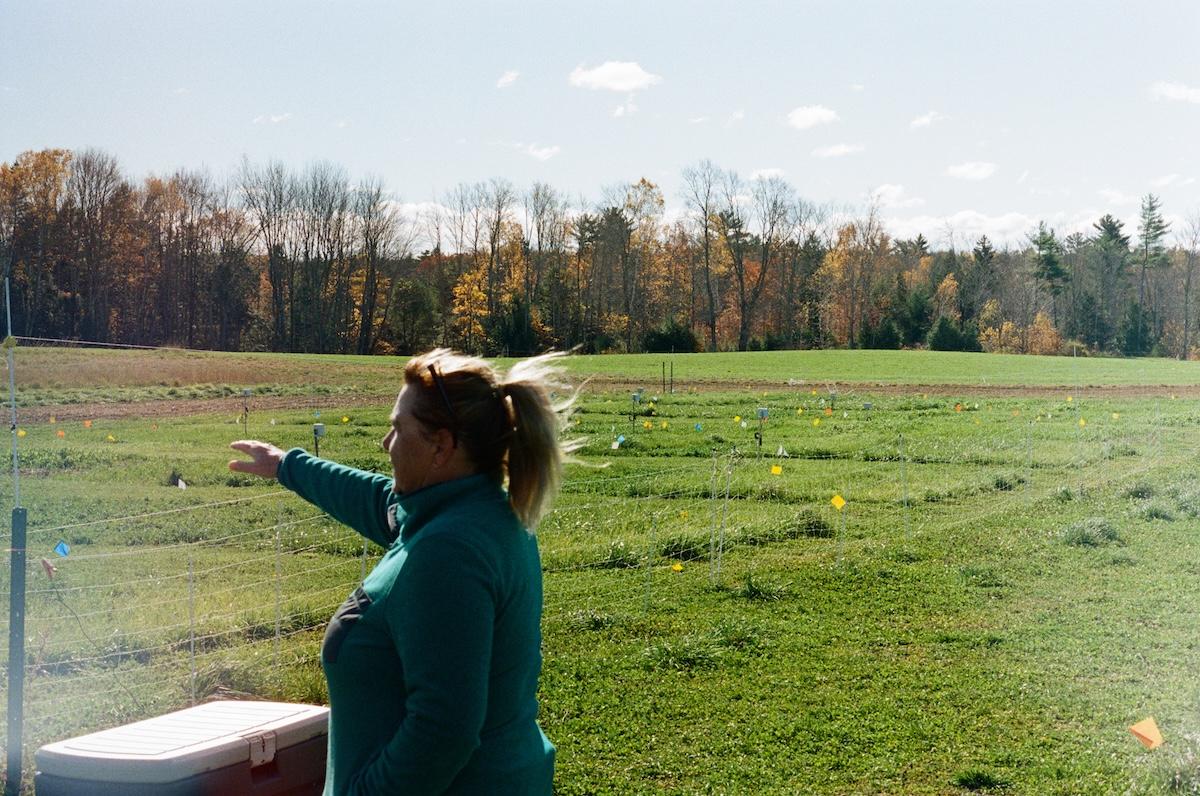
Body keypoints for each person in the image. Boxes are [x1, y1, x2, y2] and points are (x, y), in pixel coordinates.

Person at [229, 348, 579, 795]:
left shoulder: (449, 554)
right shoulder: (479, 513)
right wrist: (286, 465)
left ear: (441, 446)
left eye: (397, 429)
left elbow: (443, 731)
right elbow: (384, 505)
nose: (385, 444)